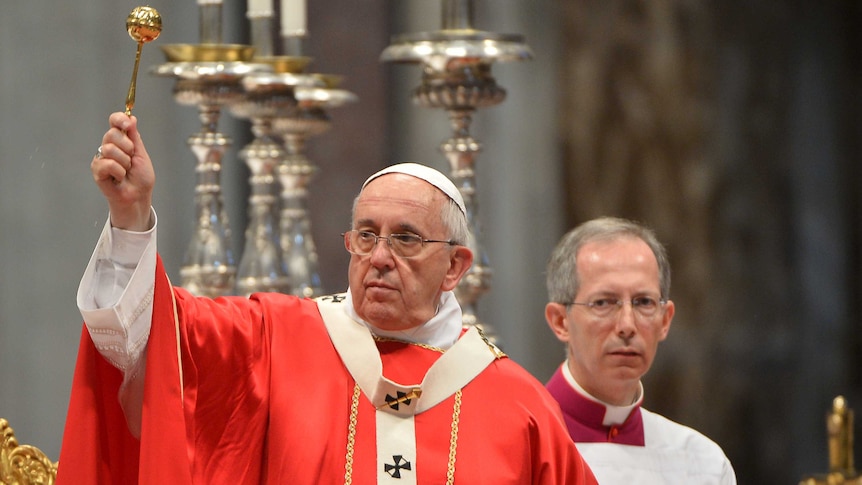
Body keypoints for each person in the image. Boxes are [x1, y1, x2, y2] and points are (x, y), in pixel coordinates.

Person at [57, 112, 597, 484]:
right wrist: (130, 217)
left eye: (405, 238)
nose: (380, 256)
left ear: (455, 266)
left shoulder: (518, 405)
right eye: (365, 235)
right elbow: (156, 339)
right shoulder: (273, 340)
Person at [543, 217, 736, 484]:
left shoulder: (703, 464)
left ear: (665, 320)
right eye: (603, 302)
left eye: (643, 302)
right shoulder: (515, 445)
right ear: (560, 321)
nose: (627, 325)